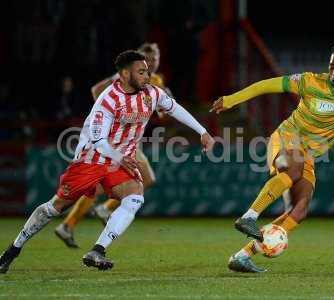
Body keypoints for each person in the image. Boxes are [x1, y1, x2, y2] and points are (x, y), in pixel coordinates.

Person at [0, 50, 215, 273]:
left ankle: (97, 250)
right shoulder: (108, 100)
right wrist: (121, 157)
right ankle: (12, 251)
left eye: (147, 71)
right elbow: (98, 140)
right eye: (141, 72)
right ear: (123, 74)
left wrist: (203, 132)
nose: (147, 76)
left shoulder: (151, 93)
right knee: (55, 208)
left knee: (134, 197)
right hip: (92, 159)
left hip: (120, 161)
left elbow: (175, 108)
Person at [210, 43, 334, 273]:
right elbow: (266, 85)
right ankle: (249, 216)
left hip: (306, 155)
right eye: (332, 67)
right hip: (285, 140)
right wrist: (231, 99)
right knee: (294, 168)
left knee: (299, 210)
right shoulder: (309, 81)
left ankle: (242, 255)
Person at [54, 42, 170, 248]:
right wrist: (109, 116)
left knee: (126, 181)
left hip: (131, 141)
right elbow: (96, 90)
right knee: (129, 180)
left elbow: (162, 113)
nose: (153, 62)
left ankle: (71, 223)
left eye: (156, 58)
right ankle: (95, 213)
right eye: (149, 58)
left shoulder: (156, 81)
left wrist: (164, 103)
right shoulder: (127, 77)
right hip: (115, 141)